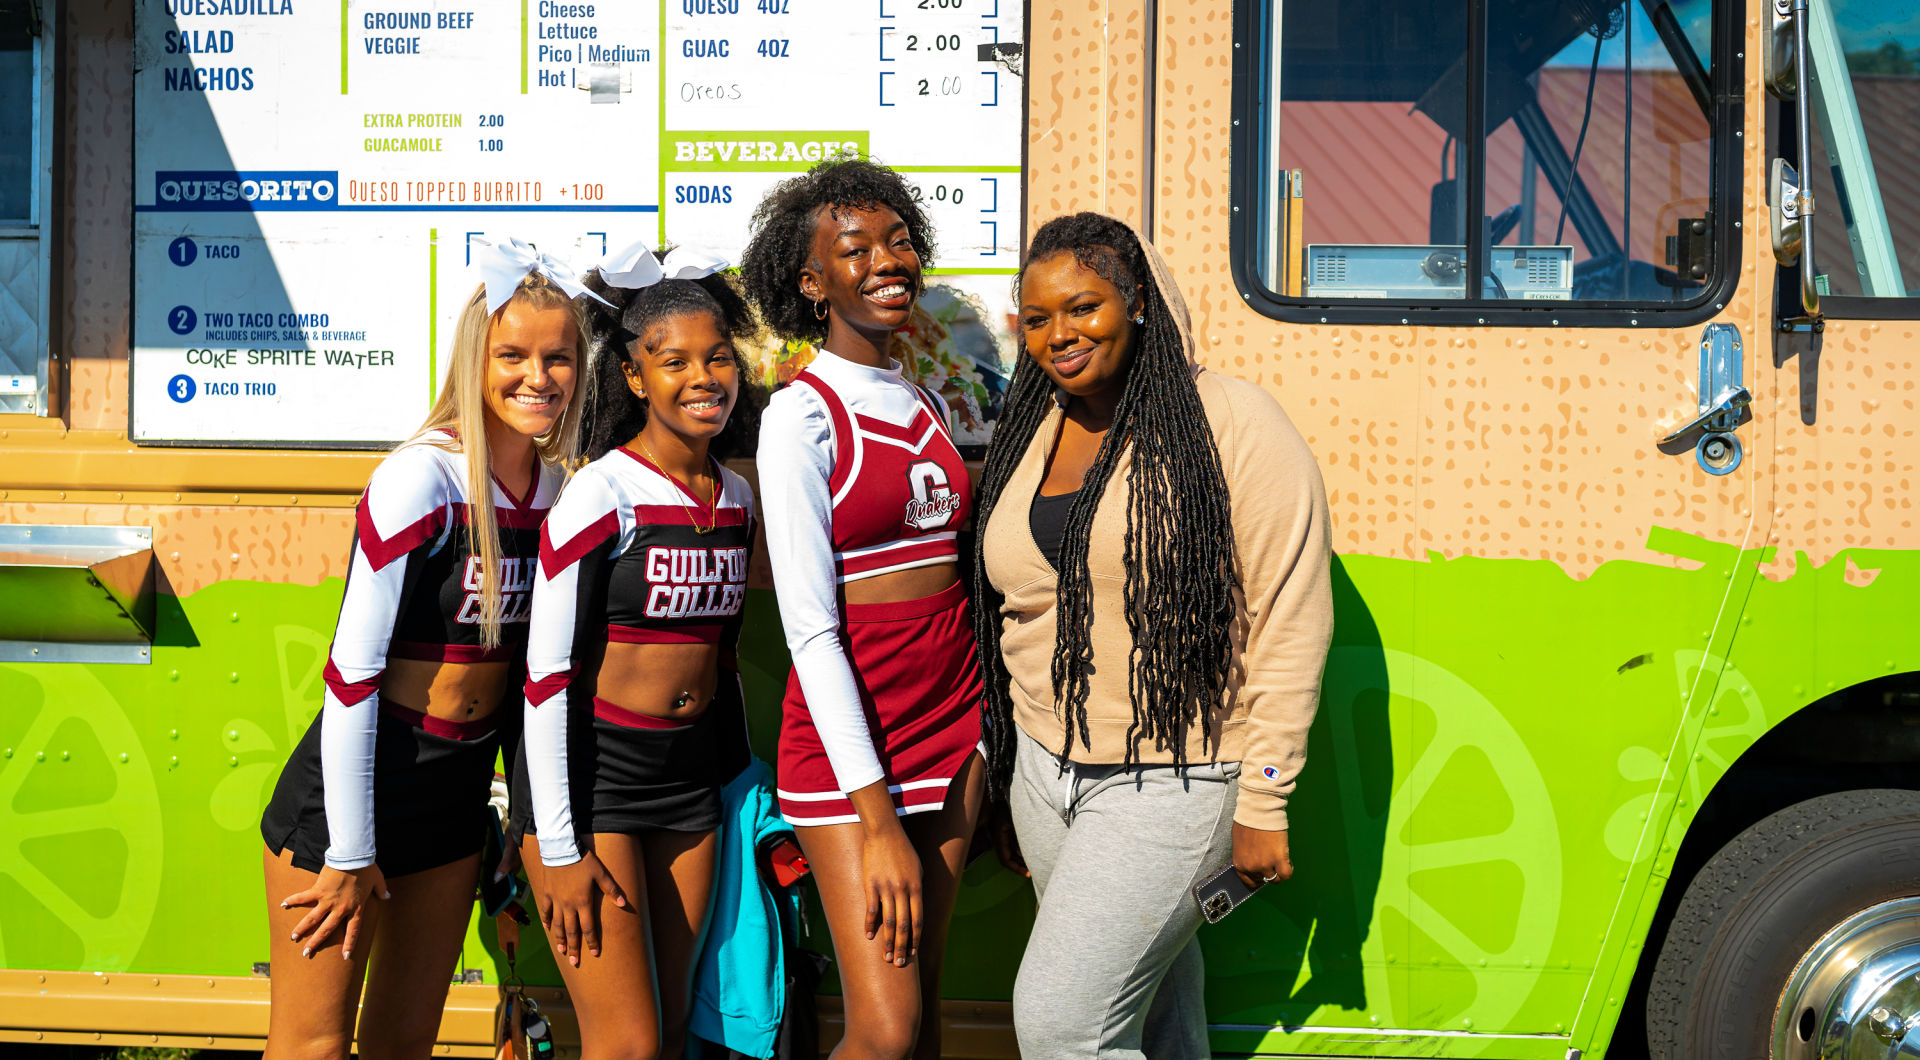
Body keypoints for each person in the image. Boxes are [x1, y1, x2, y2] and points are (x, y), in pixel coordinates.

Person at [971, 212, 1334, 1059]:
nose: (1058, 334)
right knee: (1151, 1012)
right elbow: (1016, 611)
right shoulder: (1035, 427)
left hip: (1175, 775)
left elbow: (1290, 614)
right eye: (1035, 318)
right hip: (1044, 772)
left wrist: (1267, 796)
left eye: (1084, 307)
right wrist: (1010, 776)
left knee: (1064, 1025)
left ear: (1136, 302)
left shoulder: (1234, 422)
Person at [259, 239, 590, 1060]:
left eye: (558, 358)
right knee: (313, 1044)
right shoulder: (421, 480)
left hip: (455, 793)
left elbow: (529, 683)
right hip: (356, 791)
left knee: (404, 1043)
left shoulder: (558, 494)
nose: (537, 378)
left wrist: (527, 816)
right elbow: (349, 678)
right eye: (512, 355)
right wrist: (349, 848)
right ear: (476, 359)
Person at [742, 158, 986, 1060]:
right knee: (881, 1033)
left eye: (898, 241)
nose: (888, 260)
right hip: (857, 760)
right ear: (812, 282)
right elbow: (811, 628)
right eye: (856, 249)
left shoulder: (923, 400)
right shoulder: (800, 416)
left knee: (920, 1017)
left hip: (951, 734)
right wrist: (875, 819)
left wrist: (985, 742)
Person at [511, 242, 760, 1060]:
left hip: (689, 793)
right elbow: (546, 681)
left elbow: (722, 659)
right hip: (600, 791)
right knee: (627, 1045)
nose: (702, 378)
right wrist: (558, 843)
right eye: (674, 361)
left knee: (676, 1023)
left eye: (718, 356)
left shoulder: (738, 496)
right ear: (631, 376)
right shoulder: (601, 491)